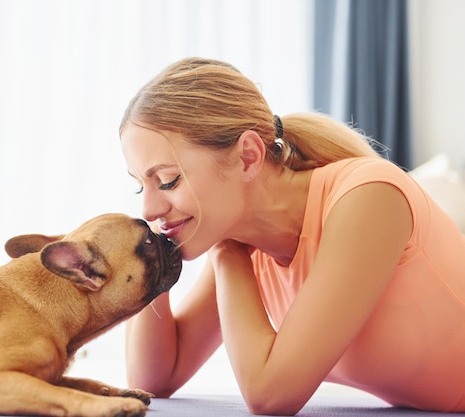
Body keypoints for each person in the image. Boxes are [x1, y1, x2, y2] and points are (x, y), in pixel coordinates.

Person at [119, 57, 465, 415]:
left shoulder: (370, 197)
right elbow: (151, 380)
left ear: (248, 157)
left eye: (167, 181)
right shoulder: (240, 242)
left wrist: (225, 255)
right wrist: (149, 260)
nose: (148, 209)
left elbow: (270, 395)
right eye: (140, 186)